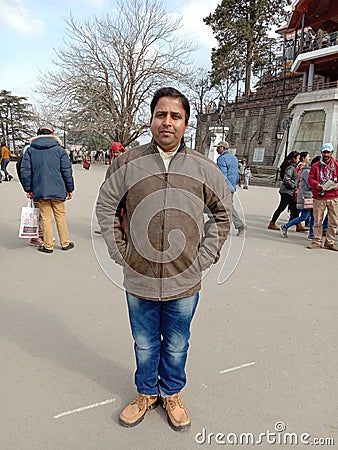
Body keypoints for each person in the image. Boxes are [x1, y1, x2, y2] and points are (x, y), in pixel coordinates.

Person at [96, 87, 231, 431]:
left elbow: (222, 213)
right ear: (151, 119)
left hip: (185, 279)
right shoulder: (127, 163)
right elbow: (106, 206)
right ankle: (145, 392)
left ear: (186, 123)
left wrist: (204, 257)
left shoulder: (203, 168)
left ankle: (170, 392)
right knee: (143, 342)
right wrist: (120, 251)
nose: (167, 122)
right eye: (161, 114)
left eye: (176, 116)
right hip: (138, 276)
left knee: (176, 343)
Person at [21, 124, 75, 254]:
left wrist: (28, 189)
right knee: (60, 216)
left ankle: (48, 245)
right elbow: (67, 171)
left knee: (45, 217)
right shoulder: (60, 150)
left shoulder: (30, 150)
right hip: (58, 188)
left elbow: (26, 171)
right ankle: (65, 243)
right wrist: (70, 188)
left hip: (40, 189)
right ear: (52, 134)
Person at [307, 143, 338, 250]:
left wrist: (336, 186)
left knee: (333, 221)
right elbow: (310, 179)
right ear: (321, 153)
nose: (326, 154)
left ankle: (330, 241)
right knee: (317, 220)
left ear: (332, 153)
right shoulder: (315, 166)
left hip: (333, 196)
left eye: (328, 152)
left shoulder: (336, 165)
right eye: (324, 152)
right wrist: (317, 185)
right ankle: (317, 240)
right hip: (319, 197)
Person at [216, 141, 246, 236]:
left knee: (226, 207)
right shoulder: (234, 158)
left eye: (218, 147)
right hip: (232, 186)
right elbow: (236, 174)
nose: (217, 149)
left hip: (225, 187)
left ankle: (240, 225)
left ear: (223, 148)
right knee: (226, 207)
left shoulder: (222, 159)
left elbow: (222, 175)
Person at [268, 151, 300, 230]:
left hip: (289, 192)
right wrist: (294, 186)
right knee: (282, 207)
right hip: (287, 192)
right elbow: (286, 179)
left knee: (294, 208)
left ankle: (298, 224)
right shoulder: (291, 168)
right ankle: (272, 223)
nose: (299, 160)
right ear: (294, 158)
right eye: (298, 158)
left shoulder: (292, 167)